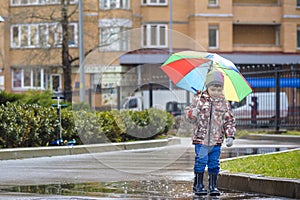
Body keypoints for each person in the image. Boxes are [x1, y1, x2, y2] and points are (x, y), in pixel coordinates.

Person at [185, 70, 236, 196]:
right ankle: (198, 185)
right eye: (213, 89)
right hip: (201, 139)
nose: (216, 93)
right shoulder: (199, 100)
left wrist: (230, 135)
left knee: (214, 163)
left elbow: (228, 120)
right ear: (207, 87)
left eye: (219, 90)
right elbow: (189, 117)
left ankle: (213, 186)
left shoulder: (224, 102)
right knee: (201, 161)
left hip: (216, 140)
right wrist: (193, 113)